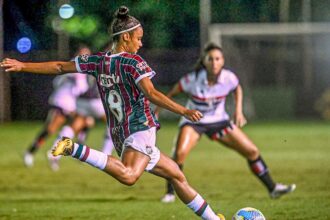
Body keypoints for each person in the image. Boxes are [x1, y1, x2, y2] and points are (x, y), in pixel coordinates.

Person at [1, 6, 225, 220]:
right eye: (138, 38)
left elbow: (60, 66)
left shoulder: (98, 62)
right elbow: (151, 93)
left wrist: (23, 65)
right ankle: (75, 148)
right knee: (129, 176)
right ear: (125, 37)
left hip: (120, 134)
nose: (141, 42)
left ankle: (214, 218)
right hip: (139, 128)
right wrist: (183, 110)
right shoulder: (133, 63)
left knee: (177, 175)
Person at [156, 42, 296, 203]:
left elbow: (237, 88)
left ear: (222, 61)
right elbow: (170, 94)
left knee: (252, 151)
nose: (214, 62)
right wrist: (157, 111)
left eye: (217, 59)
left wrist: (238, 110)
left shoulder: (228, 77)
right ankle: (170, 193)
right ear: (204, 61)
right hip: (195, 122)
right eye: (210, 59)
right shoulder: (192, 80)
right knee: (179, 154)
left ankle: (273, 188)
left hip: (219, 121)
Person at [23, 46, 91, 168]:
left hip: (71, 104)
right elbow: (82, 88)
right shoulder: (77, 67)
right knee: (51, 129)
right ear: (78, 54)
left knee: (84, 122)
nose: (85, 57)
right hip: (62, 102)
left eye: (87, 55)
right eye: (83, 54)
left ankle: (56, 153)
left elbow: (57, 81)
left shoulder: (73, 66)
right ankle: (30, 152)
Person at [48, 75, 114, 171]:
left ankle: (55, 152)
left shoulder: (81, 62)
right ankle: (106, 154)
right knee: (113, 122)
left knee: (74, 126)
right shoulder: (103, 63)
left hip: (81, 101)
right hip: (96, 101)